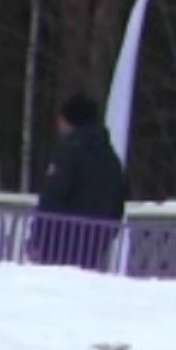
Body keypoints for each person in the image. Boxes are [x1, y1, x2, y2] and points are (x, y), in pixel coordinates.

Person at [33, 93, 128, 270]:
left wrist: (39, 238)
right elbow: (118, 204)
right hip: (95, 246)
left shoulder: (68, 152)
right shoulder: (112, 159)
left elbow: (53, 196)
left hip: (59, 244)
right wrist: (105, 237)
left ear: (69, 121)